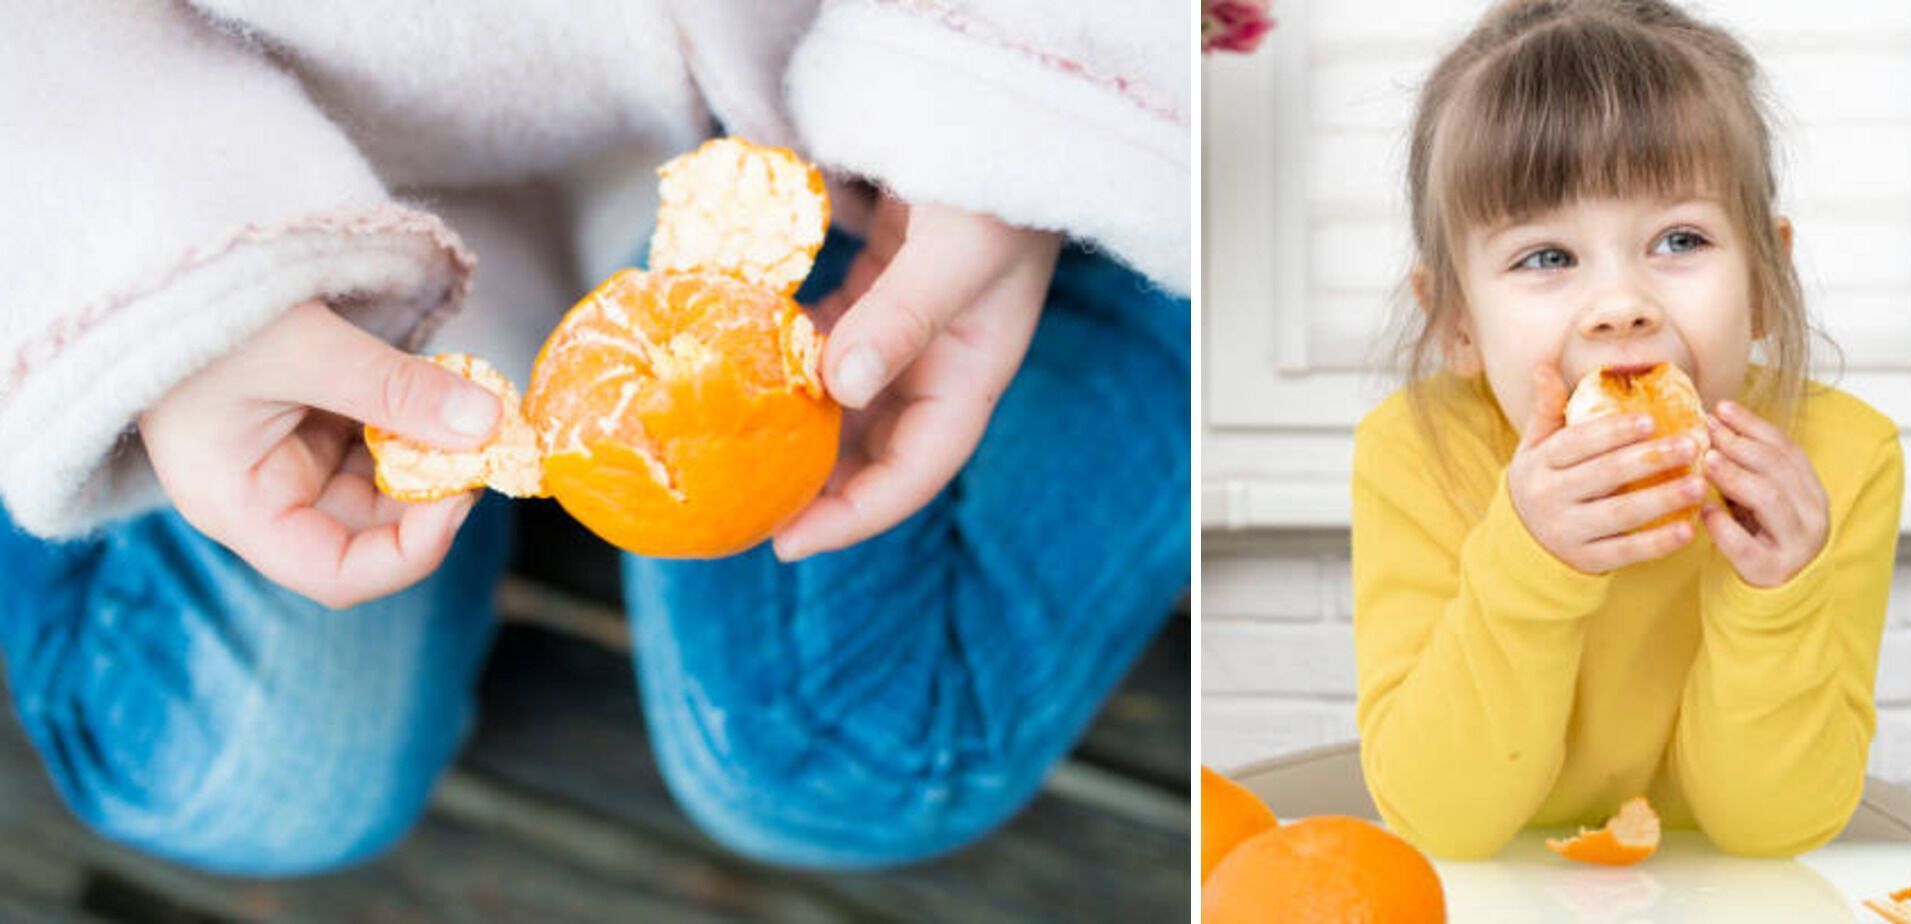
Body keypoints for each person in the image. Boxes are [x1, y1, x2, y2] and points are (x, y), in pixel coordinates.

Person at [0, 2, 1187, 874]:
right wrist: (154, 303)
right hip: (252, 189)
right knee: (232, 784)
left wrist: (1026, 107)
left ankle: (1188, 250)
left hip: (844, 109)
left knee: (852, 755)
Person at [1351, 0, 1902, 859]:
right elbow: (1442, 823)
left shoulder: (1840, 460)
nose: (1619, 308)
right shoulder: (1417, 452)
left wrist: (1774, 599)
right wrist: (1530, 561)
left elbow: (1774, 829)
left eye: (1680, 239)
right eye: (1547, 257)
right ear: (1457, 321)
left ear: (1763, 279)